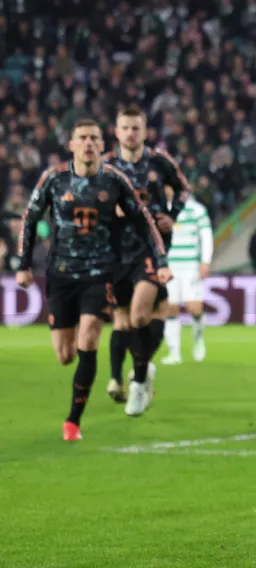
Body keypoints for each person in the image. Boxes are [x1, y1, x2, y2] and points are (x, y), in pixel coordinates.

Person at [14, 118, 170, 441]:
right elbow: (29, 219)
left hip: (100, 273)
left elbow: (144, 221)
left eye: (93, 138)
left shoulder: (115, 181)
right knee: (65, 355)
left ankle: (73, 421)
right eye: (81, 138)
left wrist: (161, 261)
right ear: (71, 144)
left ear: (102, 144)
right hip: (60, 275)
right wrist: (24, 263)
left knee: (89, 340)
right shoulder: (54, 179)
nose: (88, 143)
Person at [103, 105, 191, 416]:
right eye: (125, 128)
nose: (130, 133)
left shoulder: (159, 161)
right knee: (125, 319)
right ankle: (139, 373)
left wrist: (172, 215)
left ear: (145, 131)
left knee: (140, 316)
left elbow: (183, 189)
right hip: (115, 253)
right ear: (116, 131)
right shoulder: (106, 166)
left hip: (151, 250)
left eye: (136, 128)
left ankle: (138, 384)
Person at [162, 195, 213, 365]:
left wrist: (205, 261)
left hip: (190, 265)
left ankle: (198, 339)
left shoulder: (196, 210)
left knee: (194, 308)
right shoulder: (162, 208)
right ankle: (174, 352)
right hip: (170, 266)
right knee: (171, 308)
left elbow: (206, 236)